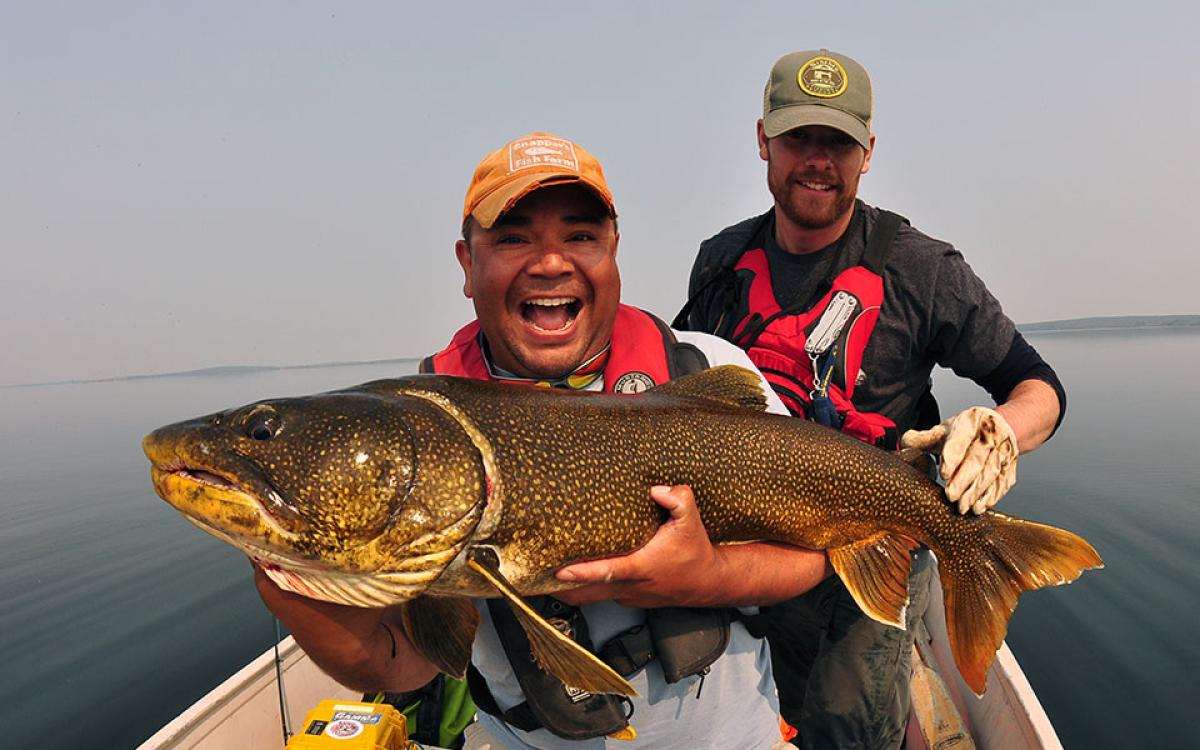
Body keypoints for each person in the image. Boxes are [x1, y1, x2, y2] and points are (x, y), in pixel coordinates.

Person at [256, 132, 830, 750]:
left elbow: (815, 555)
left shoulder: (704, 367)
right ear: (466, 263)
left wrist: (705, 576)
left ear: (614, 250)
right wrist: (287, 579)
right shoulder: (422, 428)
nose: (551, 262)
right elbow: (401, 663)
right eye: (513, 238)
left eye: (580, 235)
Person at [678, 50, 1066, 749]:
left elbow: (1037, 385)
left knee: (851, 725)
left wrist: (1000, 430)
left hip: (872, 548)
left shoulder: (922, 268)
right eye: (799, 138)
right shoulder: (720, 262)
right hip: (749, 551)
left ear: (868, 153)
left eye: (839, 143)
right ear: (763, 140)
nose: (818, 161)